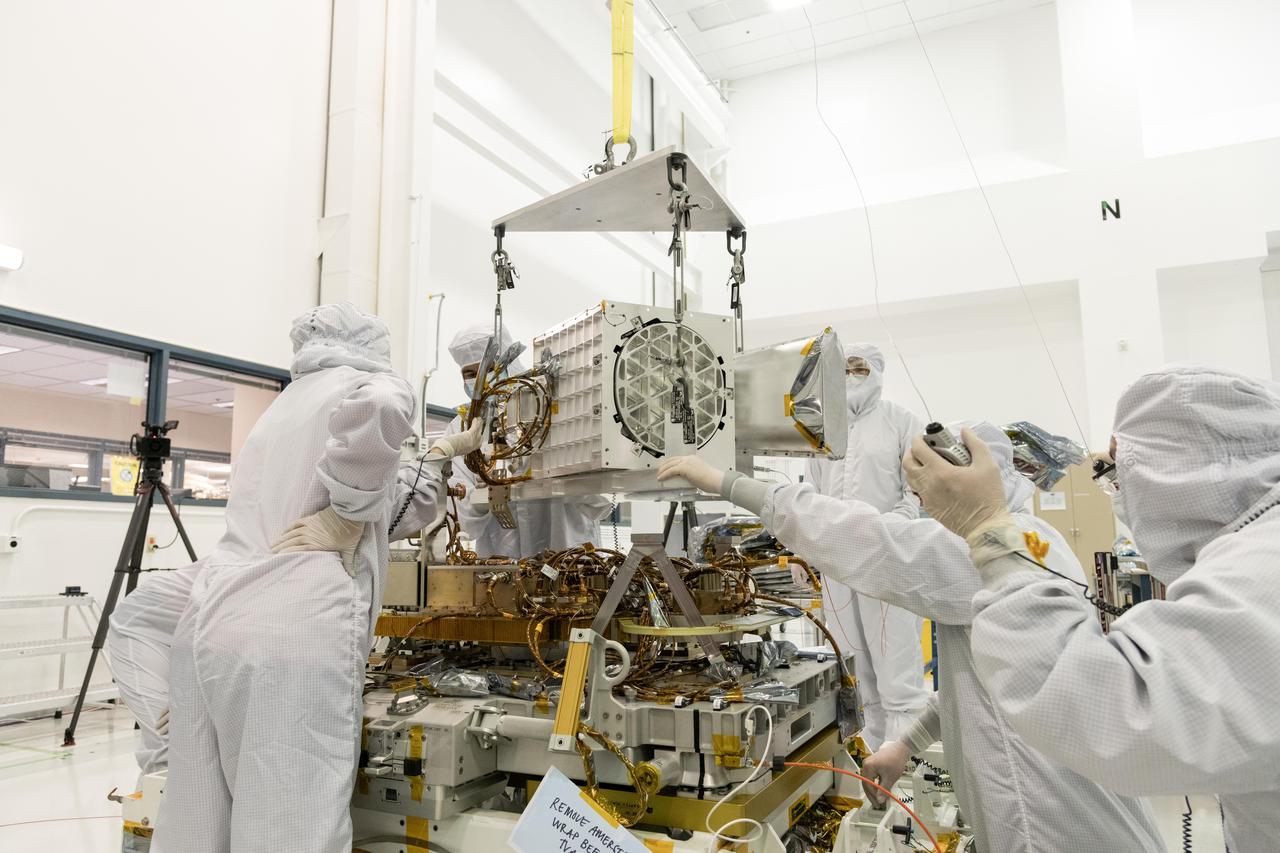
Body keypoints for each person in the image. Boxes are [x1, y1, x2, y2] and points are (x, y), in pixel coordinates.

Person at [656, 423, 1165, 852]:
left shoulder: (982, 549)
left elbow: (865, 540)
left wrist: (727, 483)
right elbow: (987, 680)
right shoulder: (1032, 539)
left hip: (1049, 824)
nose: (923, 496)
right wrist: (906, 744)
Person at [148, 303, 483, 853]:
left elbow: (390, 503)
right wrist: (347, 515)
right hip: (291, 638)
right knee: (288, 822)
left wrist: (436, 457)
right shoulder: (365, 384)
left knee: (197, 822)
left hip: (211, 628)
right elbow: (383, 408)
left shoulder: (283, 408)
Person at [902, 365, 1280, 852]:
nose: (1117, 492)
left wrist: (987, 529)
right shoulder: (1253, 549)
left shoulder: (1263, 565)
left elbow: (1110, 715)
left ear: (1180, 465)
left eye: (1121, 470)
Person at [799, 342, 927, 749]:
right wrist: (805, 551)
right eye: (844, 369)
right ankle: (868, 759)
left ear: (877, 372)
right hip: (837, 562)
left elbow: (917, 490)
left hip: (886, 558)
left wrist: (892, 528)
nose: (851, 376)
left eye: (860, 368)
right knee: (851, 665)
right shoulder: (825, 430)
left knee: (896, 668)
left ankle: (906, 764)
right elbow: (811, 495)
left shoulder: (901, 421)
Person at [441, 323, 610, 558]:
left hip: (568, 552)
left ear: (508, 364)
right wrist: (483, 495)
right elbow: (463, 516)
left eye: (486, 369)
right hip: (501, 560)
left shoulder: (556, 408)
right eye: (469, 374)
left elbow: (599, 498)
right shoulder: (462, 427)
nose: (478, 380)